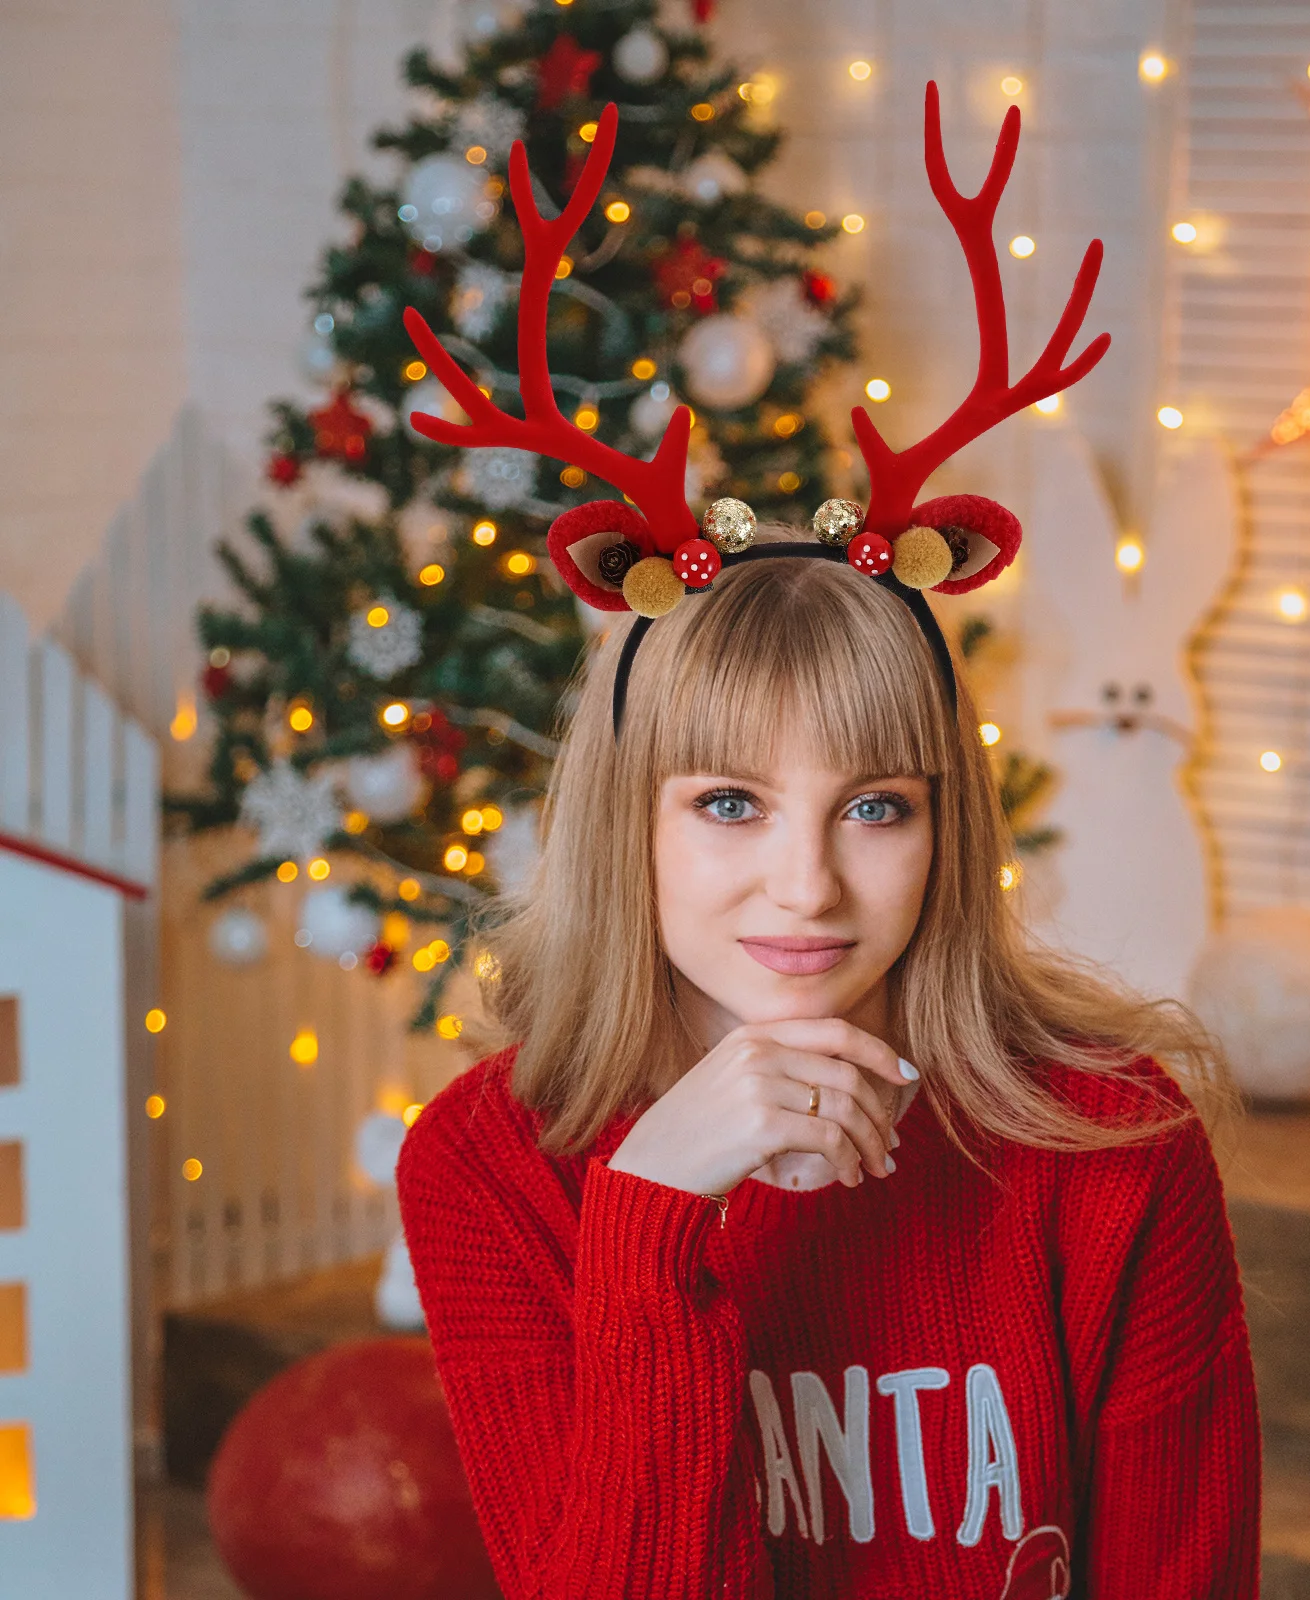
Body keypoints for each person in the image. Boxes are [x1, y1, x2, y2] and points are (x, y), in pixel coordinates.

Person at [396, 82, 1261, 1600]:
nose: (805, 886)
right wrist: (654, 1212)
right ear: (627, 821)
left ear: (945, 825)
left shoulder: (1110, 1146)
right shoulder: (492, 1166)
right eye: (728, 803)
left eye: (874, 806)